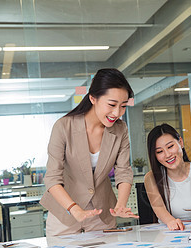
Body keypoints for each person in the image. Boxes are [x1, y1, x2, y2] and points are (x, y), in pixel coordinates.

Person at [41, 68, 138, 236]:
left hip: (101, 214)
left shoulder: (120, 129)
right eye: (112, 105)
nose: (117, 113)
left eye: (123, 106)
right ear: (93, 98)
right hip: (66, 214)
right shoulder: (64, 126)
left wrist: (121, 204)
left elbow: (123, 171)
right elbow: (52, 178)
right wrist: (74, 209)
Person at [144, 124, 191, 231]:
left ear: (180, 142)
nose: (167, 154)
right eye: (160, 151)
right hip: (169, 231)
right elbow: (158, 208)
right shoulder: (151, 178)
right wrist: (171, 221)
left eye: (170, 147)